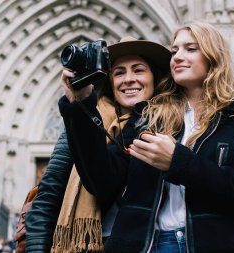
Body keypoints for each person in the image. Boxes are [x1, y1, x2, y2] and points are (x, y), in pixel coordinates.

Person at [59, 21, 234, 253]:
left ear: (213, 57)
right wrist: (82, 101)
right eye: (174, 51)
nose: (177, 57)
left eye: (190, 49)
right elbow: (101, 180)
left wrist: (179, 162)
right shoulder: (147, 118)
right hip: (150, 246)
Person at [25, 37, 171, 253]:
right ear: (109, 81)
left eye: (138, 70)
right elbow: (48, 199)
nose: (128, 79)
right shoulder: (83, 121)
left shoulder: (172, 123)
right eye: (119, 72)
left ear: (155, 77)